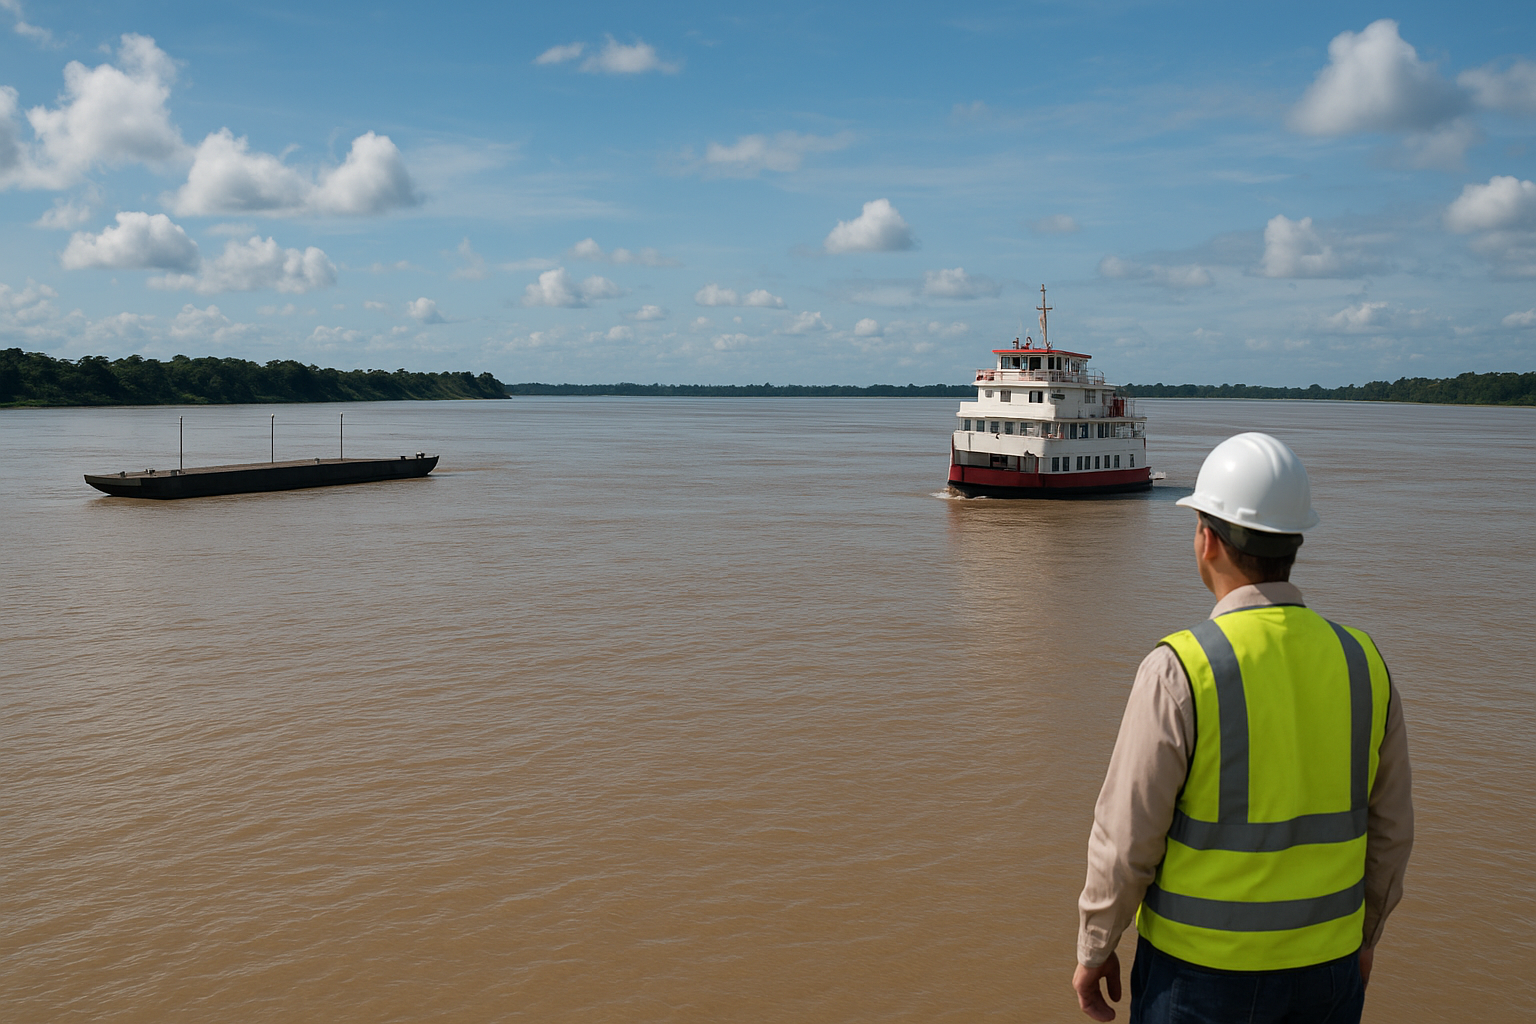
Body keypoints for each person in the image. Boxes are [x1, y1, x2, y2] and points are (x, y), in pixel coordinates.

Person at [1071, 432, 1413, 1023]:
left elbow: (1127, 839)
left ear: (1207, 540)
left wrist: (1095, 947)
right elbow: (1392, 833)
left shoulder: (1181, 668)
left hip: (1197, 980)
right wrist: (1365, 939)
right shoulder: (1364, 663)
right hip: (1327, 973)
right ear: (1294, 544)